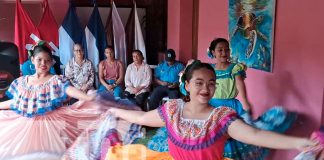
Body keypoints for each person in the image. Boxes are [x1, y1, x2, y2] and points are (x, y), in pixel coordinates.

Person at [108, 61, 319, 160]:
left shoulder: (221, 117)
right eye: (199, 83)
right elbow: (143, 116)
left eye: (211, 83)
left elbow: (255, 135)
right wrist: (116, 111)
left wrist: (298, 142)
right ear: (187, 85)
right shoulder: (172, 110)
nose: (206, 89)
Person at [0, 44, 101, 158]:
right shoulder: (22, 82)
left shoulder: (56, 80)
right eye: (40, 60)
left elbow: (69, 90)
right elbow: (16, 103)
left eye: (47, 61)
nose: (43, 63)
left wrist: (87, 97)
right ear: (32, 60)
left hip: (52, 125)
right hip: (25, 127)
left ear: (51, 62)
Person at [207, 38, 296, 159]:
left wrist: (245, 101)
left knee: (235, 134)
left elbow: (239, 82)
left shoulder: (234, 68)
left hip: (230, 106)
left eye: (227, 50)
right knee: (213, 135)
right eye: (220, 50)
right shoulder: (209, 69)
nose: (224, 53)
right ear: (213, 52)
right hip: (212, 105)